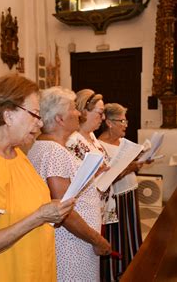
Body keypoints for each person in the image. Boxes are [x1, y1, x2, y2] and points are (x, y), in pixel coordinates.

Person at [0, 74, 75, 282]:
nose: (39, 124)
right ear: (8, 115)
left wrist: (52, 213)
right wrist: (40, 216)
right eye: (34, 114)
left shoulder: (17, 153)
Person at [27, 86, 111, 281]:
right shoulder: (54, 151)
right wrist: (96, 240)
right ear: (60, 118)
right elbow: (64, 211)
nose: (79, 113)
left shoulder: (44, 146)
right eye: (73, 108)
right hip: (71, 244)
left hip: (74, 241)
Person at [65, 89, 120, 280]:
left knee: (94, 258)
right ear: (84, 111)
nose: (103, 117)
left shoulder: (93, 138)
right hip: (83, 210)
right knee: (83, 258)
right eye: (99, 112)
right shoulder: (73, 141)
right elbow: (71, 179)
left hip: (98, 207)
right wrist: (96, 172)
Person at [98, 103, 149, 275]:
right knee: (119, 235)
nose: (126, 125)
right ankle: (118, 272)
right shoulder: (100, 146)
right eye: (122, 121)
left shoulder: (123, 142)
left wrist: (142, 161)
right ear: (110, 123)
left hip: (130, 191)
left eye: (126, 121)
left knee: (131, 232)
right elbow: (108, 178)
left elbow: (129, 166)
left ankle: (133, 266)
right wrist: (133, 166)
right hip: (116, 197)